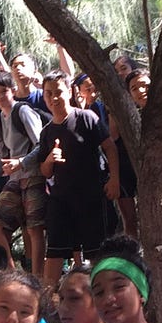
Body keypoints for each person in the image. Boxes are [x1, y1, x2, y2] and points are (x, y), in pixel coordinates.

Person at [36, 70, 118, 285]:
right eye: (48, 93)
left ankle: (101, 293)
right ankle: (46, 304)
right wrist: (50, 160)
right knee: (54, 251)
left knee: (96, 251)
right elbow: (44, 172)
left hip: (91, 196)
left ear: (69, 91)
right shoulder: (46, 132)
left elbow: (109, 147)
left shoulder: (86, 118)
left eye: (59, 92)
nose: (54, 98)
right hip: (61, 199)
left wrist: (114, 179)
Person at [0, 73, 45, 271]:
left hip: (34, 176)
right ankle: (11, 273)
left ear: (14, 91)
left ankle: (38, 278)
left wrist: (21, 162)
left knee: (34, 229)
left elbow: (42, 144)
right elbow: (3, 156)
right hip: (16, 179)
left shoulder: (23, 111)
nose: (0, 96)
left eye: (4, 91)